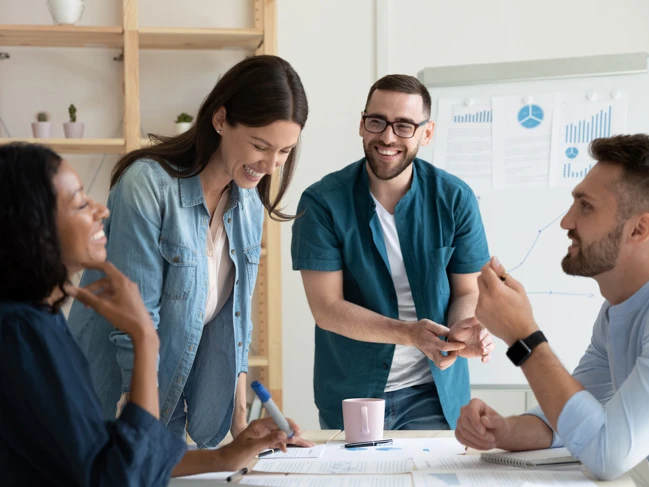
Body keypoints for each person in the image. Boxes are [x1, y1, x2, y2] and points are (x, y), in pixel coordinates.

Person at [0, 143, 302, 486]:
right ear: (32, 226)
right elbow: (118, 476)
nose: (101, 211)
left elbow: (102, 451)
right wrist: (143, 336)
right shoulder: (21, 334)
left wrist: (226, 456)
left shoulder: (38, 321)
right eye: (81, 203)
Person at [67, 55, 313, 448]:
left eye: (284, 152)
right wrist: (141, 434)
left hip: (168, 405)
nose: (270, 165)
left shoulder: (247, 202)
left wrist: (242, 428)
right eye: (260, 145)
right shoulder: (147, 187)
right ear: (220, 120)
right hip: (110, 406)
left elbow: (237, 322)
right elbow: (135, 323)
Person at [291, 74, 495, 431]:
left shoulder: (455, 198)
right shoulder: (322, 202)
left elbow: (468, 290)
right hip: (352, 393)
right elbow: (327, 309)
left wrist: (460, 331)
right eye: (377, 122)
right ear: (362, 124)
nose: (387, 137)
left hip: (433, 391)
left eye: (404, 126)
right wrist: (410, 334)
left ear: (426, 134)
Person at [455, 134, 649, 482]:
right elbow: (569, 420)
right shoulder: (614, 314)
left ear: (639, 228)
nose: (566, 222)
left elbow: (608, 454)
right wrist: (503, 431)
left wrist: (523, 336)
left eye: (585, 206)